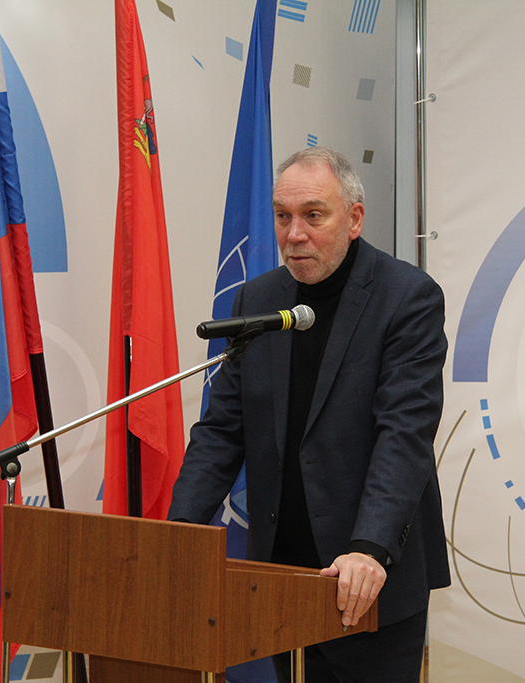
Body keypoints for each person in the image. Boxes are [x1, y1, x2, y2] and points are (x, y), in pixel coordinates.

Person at [168, 147, 450, 683]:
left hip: (368, 577)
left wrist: (368, 548)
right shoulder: (259, 299)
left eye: (313, 215)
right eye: (282, 216)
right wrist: (180, 531)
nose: (294, 234)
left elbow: (404, 434)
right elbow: (223, 430)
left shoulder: (407, 297)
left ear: (354, 219)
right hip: (282, 577)